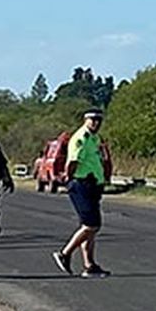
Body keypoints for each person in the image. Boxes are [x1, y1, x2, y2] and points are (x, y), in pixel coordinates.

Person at [52, 110, 112, 278]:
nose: (96, 123)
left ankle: (89, 265)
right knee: (91, 225)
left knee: (89, 227)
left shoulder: (95, 139)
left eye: (99, 120)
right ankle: (64, 253)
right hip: (81, 184)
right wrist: (68, 178)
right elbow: (72, 162)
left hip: (93, 185)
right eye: (92, 120)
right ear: (85, 120)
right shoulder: (81, 138)